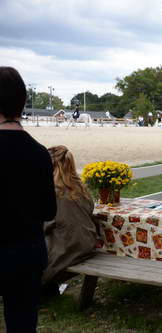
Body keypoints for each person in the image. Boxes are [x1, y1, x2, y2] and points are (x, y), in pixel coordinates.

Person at [0, 66, 57, 332]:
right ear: (22, 102)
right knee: (22, 323)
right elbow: (48, 210)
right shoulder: (39, 153)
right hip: (26, 254)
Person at [43, 146, 98, 291]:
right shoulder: (81, 188)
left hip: (68, 248)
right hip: (87, 243)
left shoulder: (52, 192)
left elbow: (45, 224)